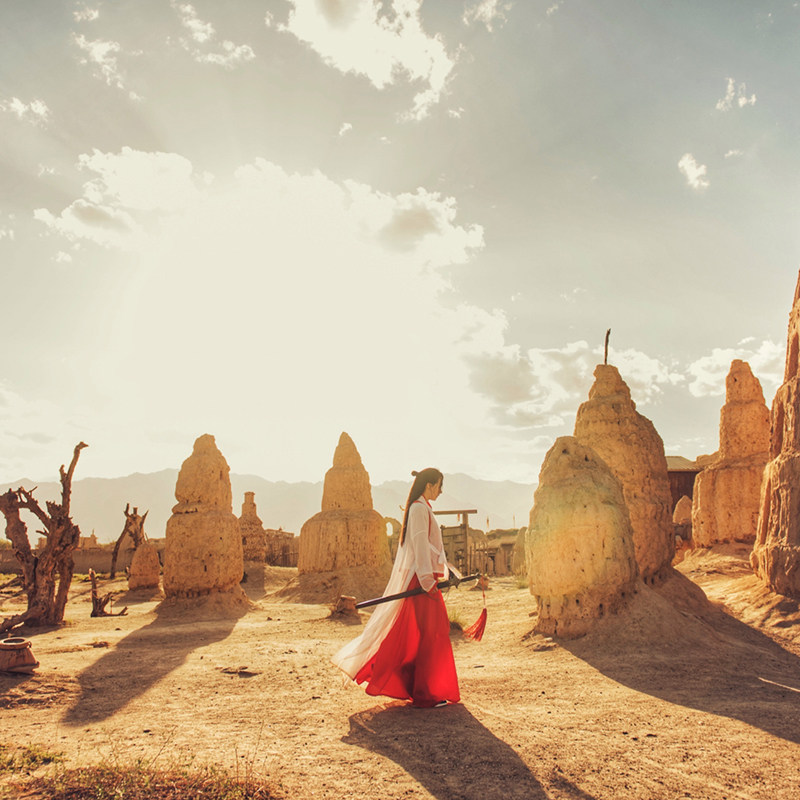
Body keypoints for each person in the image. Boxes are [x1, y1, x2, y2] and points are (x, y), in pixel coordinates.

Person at [331, 467, 460, 708]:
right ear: (429, 485)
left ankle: (424, 689)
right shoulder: (419, 509)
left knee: (423, 633)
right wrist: (428, 581)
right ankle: (425, 693)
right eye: (439, 486)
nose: (441, 491)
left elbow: (429, 548)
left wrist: (443, 570)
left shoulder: (422, 508)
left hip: (425, 579)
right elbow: (420, 545)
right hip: (422, 582)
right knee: (432, 634)